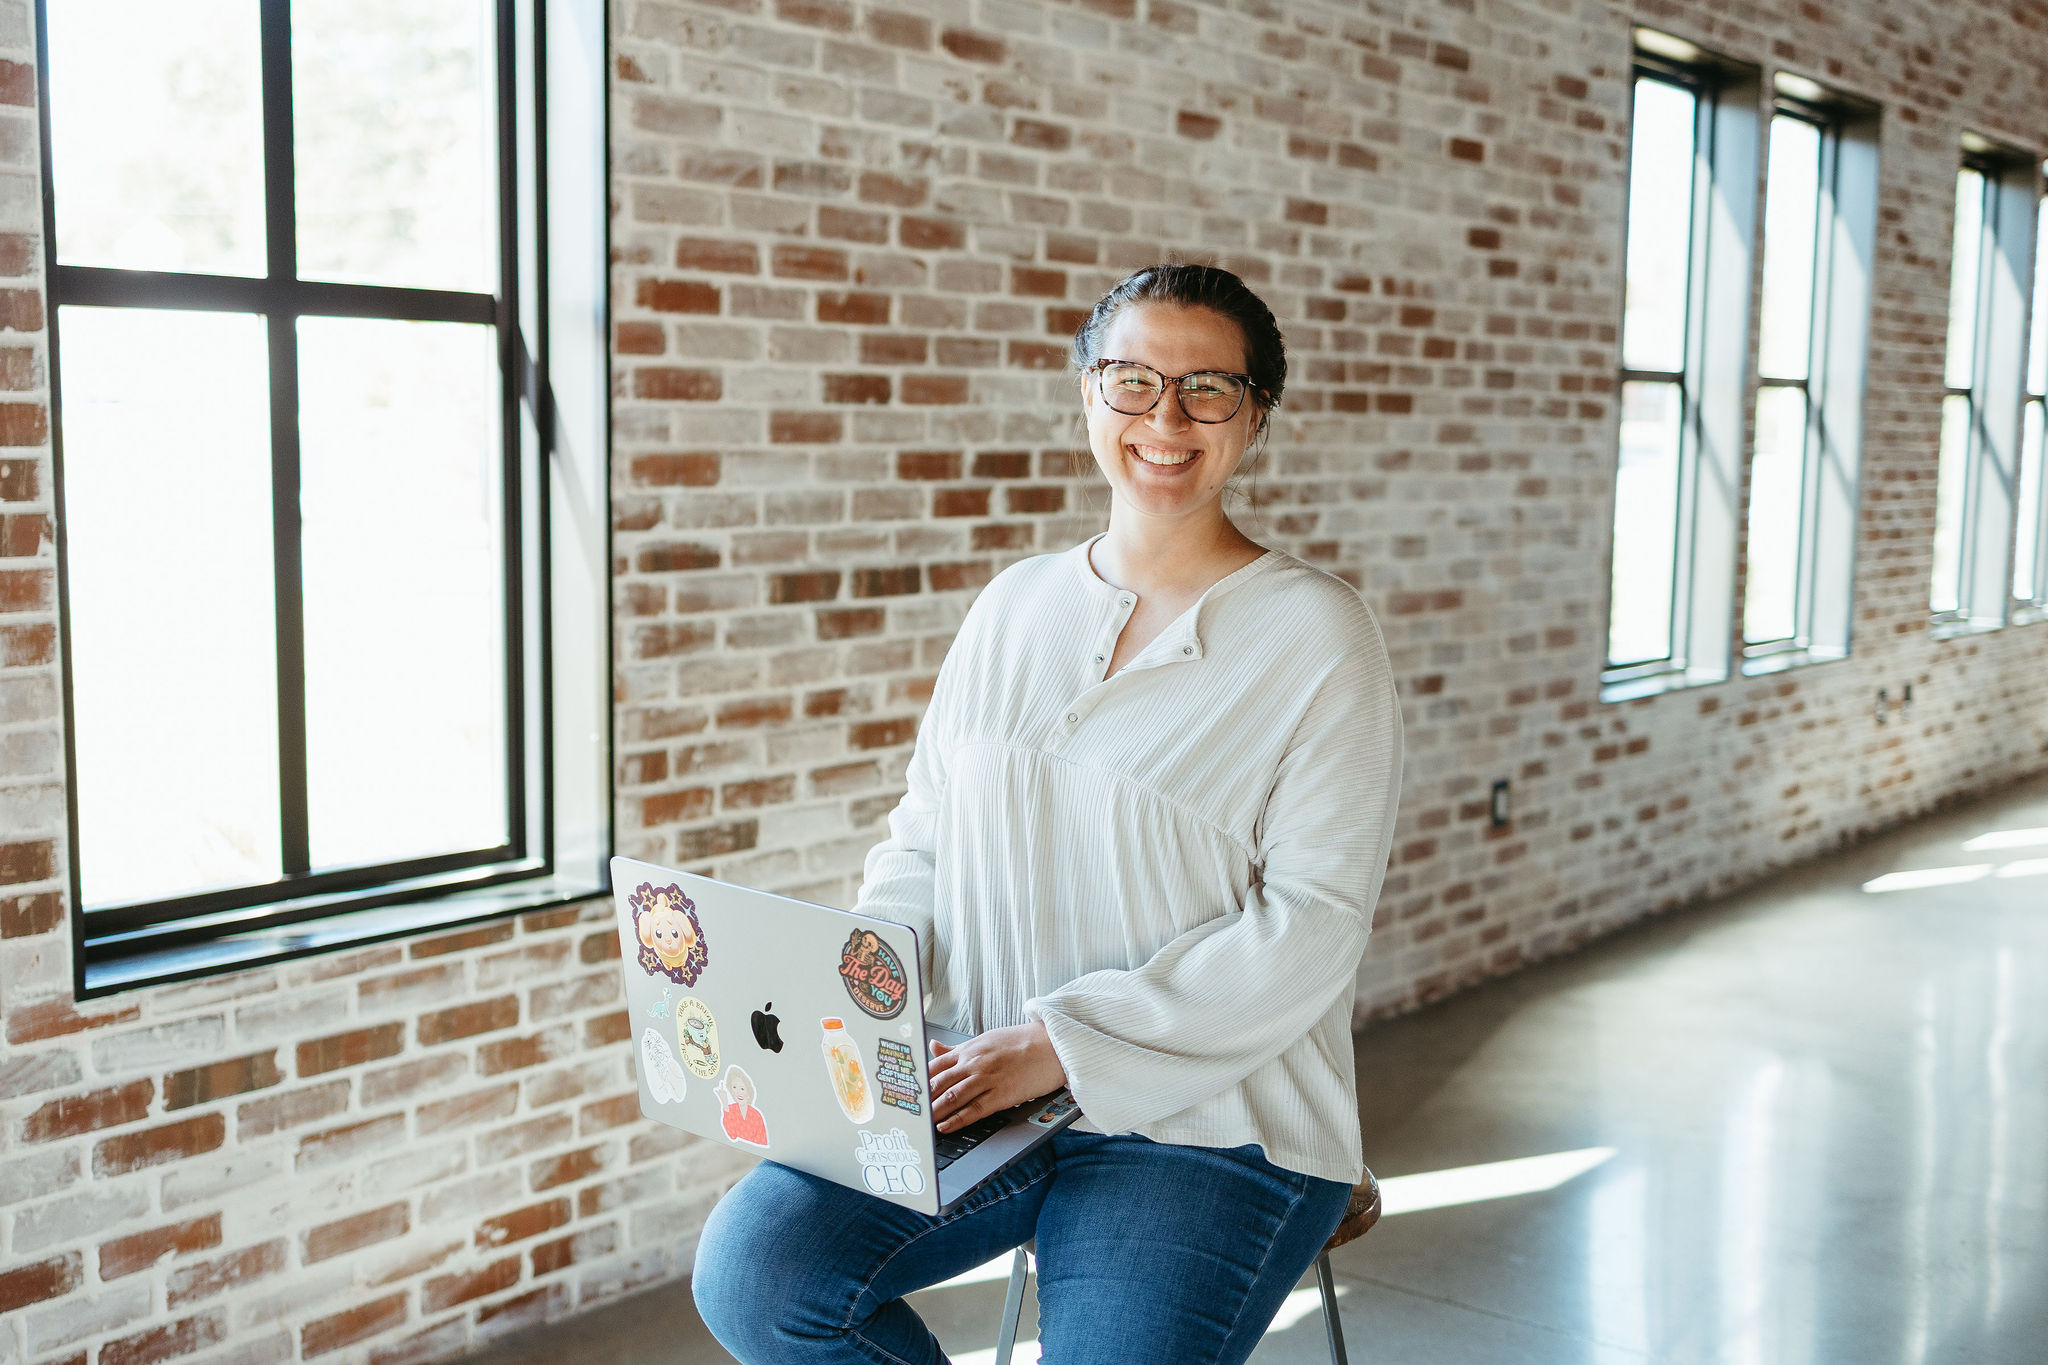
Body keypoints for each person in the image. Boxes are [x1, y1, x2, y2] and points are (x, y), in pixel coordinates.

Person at [693, 263, 1404, 1365]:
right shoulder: (1011, 605)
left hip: (1211, 1125)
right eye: (1131, 380)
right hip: (976, 1080)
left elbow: (1310, 922)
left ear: (1255, 414)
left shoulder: (1317, 635)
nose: (1164, 419)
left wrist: (1062, 1045)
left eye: (1207, 388)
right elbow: (923, 837)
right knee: (759, 1276)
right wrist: (869, 993)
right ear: (1086, 393)